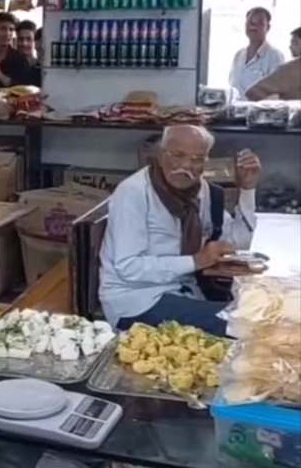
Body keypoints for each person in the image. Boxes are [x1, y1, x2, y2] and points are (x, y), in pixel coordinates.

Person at [99, 125, 261, 336]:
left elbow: (239, 244)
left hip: (186, 289)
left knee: (262, 313)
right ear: (160, 155)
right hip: (137, 299)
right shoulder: (134, 193)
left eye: (197, 159)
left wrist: (247, 189)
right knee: (245, 326)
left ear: (206, 162)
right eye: (178, 155)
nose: (186, 166)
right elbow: (128, 267)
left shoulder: (201, 190)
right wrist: (196, 261)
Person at [228, 7, 284, 97]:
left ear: (268, 27)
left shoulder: (275, 56)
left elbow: (276, 95)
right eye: (250, 22)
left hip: (260, 110)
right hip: (235, 110)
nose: (253, 26)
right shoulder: (238, 55)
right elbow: (231, 88)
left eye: (259, 23)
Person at [246, 26, 301, 101]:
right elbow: (254, 92)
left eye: (295, 42)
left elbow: (253, 92)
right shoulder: (290, 70)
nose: (290, 47)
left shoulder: (289, 69)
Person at [16, 19, 42, 87]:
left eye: (29, 39)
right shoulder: (10, 63)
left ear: (35, 41)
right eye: (21, 39)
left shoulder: (40, 66)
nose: (24, 43)